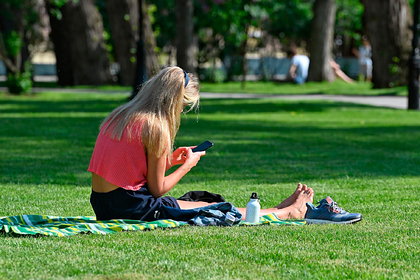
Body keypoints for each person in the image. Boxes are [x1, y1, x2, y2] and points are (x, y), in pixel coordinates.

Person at [88, 66, 316, 222]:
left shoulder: (120, 115)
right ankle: (287, 213)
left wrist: (169, 162)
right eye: (183, 106)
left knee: (201, 202)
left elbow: (126, 172)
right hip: (131, 208)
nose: (180, 111)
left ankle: (277, 209)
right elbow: (156, 190)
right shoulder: (155, 126)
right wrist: (187, 166)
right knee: (216, 210)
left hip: (103, 204)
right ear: (174, 101)